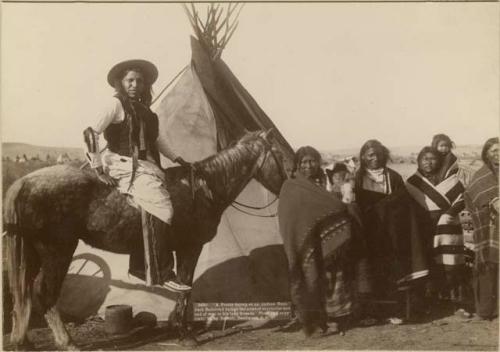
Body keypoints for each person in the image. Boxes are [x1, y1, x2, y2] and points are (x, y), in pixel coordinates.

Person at [83, 59, 191, 292]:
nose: (134, 85)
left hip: (145, 165)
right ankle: (158, 271)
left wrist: (179, 159)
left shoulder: (146, 111)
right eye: (129, 80)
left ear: (145, 85)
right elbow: (91, 133)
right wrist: (98, 168)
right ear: (121, 83)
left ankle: (138, 266)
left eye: (139, 81)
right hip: (123, 163)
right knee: (164, 208)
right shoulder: (115, 105)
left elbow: (158, 140)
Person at [278, 146, 359, 337]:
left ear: (318, 162)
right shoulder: (290, 187)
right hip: (305, 242)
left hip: (327, 241)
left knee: (332, 279)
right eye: (304, 162)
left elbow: (334, 205)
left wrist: (341, 207)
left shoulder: (325, 181)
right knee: (310, 279)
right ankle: (314, 322)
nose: (308, 165)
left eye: (312, 161)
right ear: (297, 164)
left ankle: (335, 319)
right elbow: (289, 218)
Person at [354, 140, 428, 324]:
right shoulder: (357, 178)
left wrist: (383, 207)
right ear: (363, 157)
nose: (375, 158)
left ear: (384, 155)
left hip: (391, 232)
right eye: (370, 155)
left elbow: (402, 204)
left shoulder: (393, 177)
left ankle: (393, 311)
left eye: (378, 154)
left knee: (392, 271)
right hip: (366, 232)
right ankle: (370, 314)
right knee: (368, 272)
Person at [405, 147, 467, 313]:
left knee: (450, 264)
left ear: (439, 161)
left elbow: (462, 199)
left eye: (432, 159)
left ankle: (456, 302)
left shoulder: (451, 180)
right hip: (423, 228)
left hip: (448, 226)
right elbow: (408, 206)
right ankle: (430, 302)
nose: (428, 162)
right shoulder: (412, 183)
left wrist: (448, 215)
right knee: (428, 262)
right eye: (424, 159)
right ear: (418, 161)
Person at [464, 137, 499, 320]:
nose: (498, 154)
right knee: (488, 267)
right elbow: (474, 193)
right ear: (486, 153)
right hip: (488, 227)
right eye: (494, 150)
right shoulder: (482, 174)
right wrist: (493, 200)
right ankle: (486, 310)